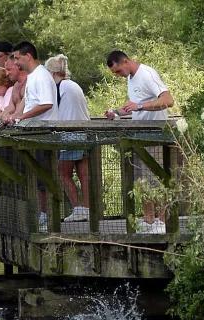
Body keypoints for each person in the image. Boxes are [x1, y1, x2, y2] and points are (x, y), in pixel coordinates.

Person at [105, 50, 174, 234]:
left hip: (155, 136)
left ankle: (162, 221)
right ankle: (148, 220)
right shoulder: (130, 78)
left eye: (118, 71)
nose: (118, 76)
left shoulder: (147, 74)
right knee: (142, 181)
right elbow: (136, 106)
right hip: (139, 137)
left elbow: (168, 100)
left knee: (157, 180)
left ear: (126, 61)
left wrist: (140, 106)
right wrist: (117, 112)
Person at [6, 41, 59, 230]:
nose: (16, 62)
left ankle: (47, 218)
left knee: (44, 179)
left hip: (44, 134)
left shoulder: (41, 76)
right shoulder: (32, 76)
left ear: (28, 56)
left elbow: (46, 103)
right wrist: (13, 117)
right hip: (33, 133)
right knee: (37, 179)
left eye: (18, 58)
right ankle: (42, 215)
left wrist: (22, 117)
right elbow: (28, 104)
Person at [45, 54, 90, 222]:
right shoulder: (73, 85)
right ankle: (87, 208)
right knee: (84, 174)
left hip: (70, 135)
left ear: (51, 73)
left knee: (62, 172)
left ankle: (78, 209)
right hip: (85, 133)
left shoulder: (59, 87)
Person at [1, 56, 28, 121]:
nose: (7, 74)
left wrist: (14, 117)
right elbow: (11, 107)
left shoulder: (30, 82)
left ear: (18, 66)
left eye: (9, 69)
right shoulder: (16, 85)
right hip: (19, 127)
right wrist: (2, 115)